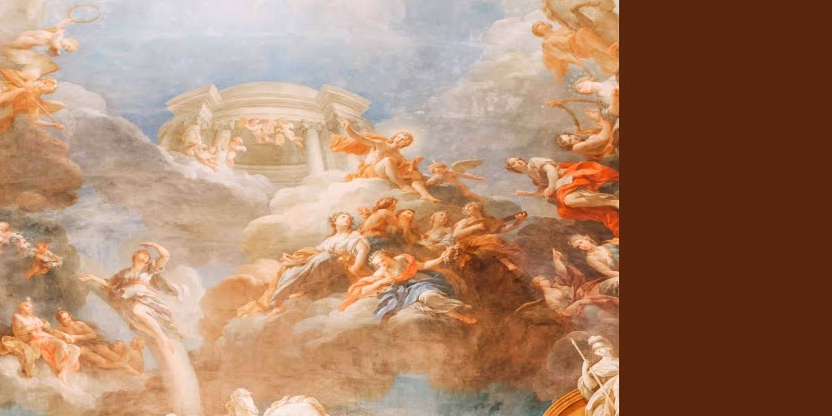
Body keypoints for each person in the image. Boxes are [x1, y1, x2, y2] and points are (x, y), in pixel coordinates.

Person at [79, 242, 200, 414]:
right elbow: (110, 285)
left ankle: (162, 337)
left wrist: (152, 245)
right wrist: (92, 278)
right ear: (134, 257)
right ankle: (159, 336)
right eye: (141, 254)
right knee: (136, 321)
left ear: (147, 260)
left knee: (137, 311)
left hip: (146, 299)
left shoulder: (148, 271)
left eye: (146, 256)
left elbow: (165, 256)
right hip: (132, 301)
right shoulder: (124, 274)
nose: (144, 257)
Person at [242, 212, 371, 316]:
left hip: (344, 266)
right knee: (293, 268)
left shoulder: (354, 235)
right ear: (334, 222)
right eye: (343, 217)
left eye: (348, 218)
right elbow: (314, 251)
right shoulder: (330, 239)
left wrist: (356, 266)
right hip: (323, 262)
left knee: (324, 257)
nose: (347, 219)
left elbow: (362, 251)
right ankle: (277, 303)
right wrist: (293, 257)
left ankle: (303, 288)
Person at [341, 249, 477, 325]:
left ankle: (460, 315)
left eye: (382, 260)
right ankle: (458, 317)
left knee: (429, 296)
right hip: (405, 290)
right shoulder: (382, 271)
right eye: (378, 264)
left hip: (419, 283)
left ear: (387, 256)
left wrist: (440, 258)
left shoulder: (403, 259)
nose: (382, 264)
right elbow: (369, 284)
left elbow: (423, 265)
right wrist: (381, 282)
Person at [506, 157, 619, 237]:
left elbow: (551, 170)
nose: (518, 161)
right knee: (565, 210)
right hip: (561, 187)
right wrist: (528, 194)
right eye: (514, 163)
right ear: (513, 169)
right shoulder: (533, 178)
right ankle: (610, 201)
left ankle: (613, 202)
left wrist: (551, 186)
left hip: (567, 176)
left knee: (568, 201)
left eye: (517, 159)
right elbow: (547, 194)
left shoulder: (534, 162)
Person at [330, 122, 440, 203]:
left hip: (383, 172)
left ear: (405, 144)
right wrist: (348, 128)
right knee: (388, 160)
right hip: (370, 171)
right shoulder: (380, 144)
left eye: (403, 140)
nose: (399, 140)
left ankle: (425, 195)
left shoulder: (399, 156)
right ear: (395, 137)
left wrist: (414, 163)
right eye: (398, 137)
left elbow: (403, 169)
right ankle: (403, 186)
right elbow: (360, 138)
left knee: (414, 173)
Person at [0, 299, 82, 384]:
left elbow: (51, 331)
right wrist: (33, 327)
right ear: (20, 307)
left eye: (31, 307)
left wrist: (64, 334)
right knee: (61, 344)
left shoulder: (35, 319)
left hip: (45, 337)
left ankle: (62, 372)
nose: (30, 308)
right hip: (34, 340)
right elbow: (18, 333)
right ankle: (59, 371)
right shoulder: (17, 317)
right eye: (27, 306)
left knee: (76, 349)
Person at [54, 310, 142, 376]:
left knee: (103, 351)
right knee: (98, 359)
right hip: (82, 346)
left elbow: (92, 335)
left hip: (93, 341)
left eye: (68, 317)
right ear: (60, 321)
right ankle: (119, 369)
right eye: (64, 319)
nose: (68, 320)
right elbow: (66, 344)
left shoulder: (79, 324)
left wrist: (76, 337)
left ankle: (127, 366)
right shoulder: (61, 331)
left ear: (70, 316)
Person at [577, 335, 620, 416]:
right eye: (596, 350)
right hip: (608, 394)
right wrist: (584, 369)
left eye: (601, 347)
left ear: (609, 346)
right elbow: (590, 385)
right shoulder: (597, 367)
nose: (599, 351)